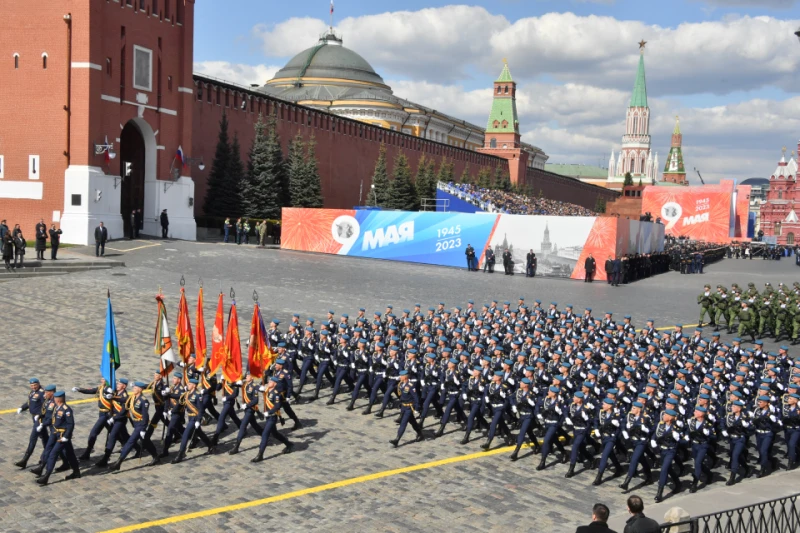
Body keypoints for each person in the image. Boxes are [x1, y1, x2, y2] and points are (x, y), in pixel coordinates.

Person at [108, 381, 160, 470]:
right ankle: (156, 456)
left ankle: (118, 463)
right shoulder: (132, 397)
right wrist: (113, 397)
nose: (133, 389)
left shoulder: (144, 401)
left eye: (135, 388)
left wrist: (143, 428)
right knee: (146, 441)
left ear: (140, 390)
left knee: (130, 442)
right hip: (136, 423)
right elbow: (123, 401)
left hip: (140, 424)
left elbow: (145, 416)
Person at [35, 390, 81, 485]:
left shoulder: (66, 410)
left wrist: (66, 436)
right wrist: (43, 424)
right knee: (69, 453)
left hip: (62, 435)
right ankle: (76, 471)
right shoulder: (57, 407)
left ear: (58, 399)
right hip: (54, 432)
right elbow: (53, 420)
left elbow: (70, 424)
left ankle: (46, 476)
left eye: (55, 398)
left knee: (53, 454)